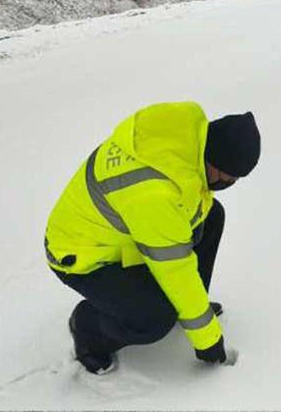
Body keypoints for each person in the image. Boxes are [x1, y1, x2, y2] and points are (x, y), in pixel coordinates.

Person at [44, 101, 261, 374]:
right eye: (229, 178)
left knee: (211, 215)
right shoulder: (154, 192)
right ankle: (89, 328)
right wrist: (208, 339)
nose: (230, 184)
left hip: (122, 235)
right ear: (213, 159)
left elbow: (189, 212)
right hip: (81, 255)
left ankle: (190, 311)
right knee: (154, 320)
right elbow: (175, 268)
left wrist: (196, 312)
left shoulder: (188, 143)